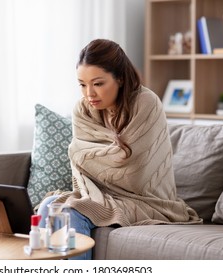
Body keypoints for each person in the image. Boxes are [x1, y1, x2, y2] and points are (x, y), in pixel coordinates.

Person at [37, 38, 202, 260]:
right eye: (82, 84)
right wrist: (95, 153)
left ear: (120, 78)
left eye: (98, 83)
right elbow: (82, 161)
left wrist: (82, 153)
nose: (89, 94)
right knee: (48, 205)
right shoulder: (82, 110)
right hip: (99, 193)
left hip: (145, 200)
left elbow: (135, 173)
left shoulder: (145, 103)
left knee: (70, 212)